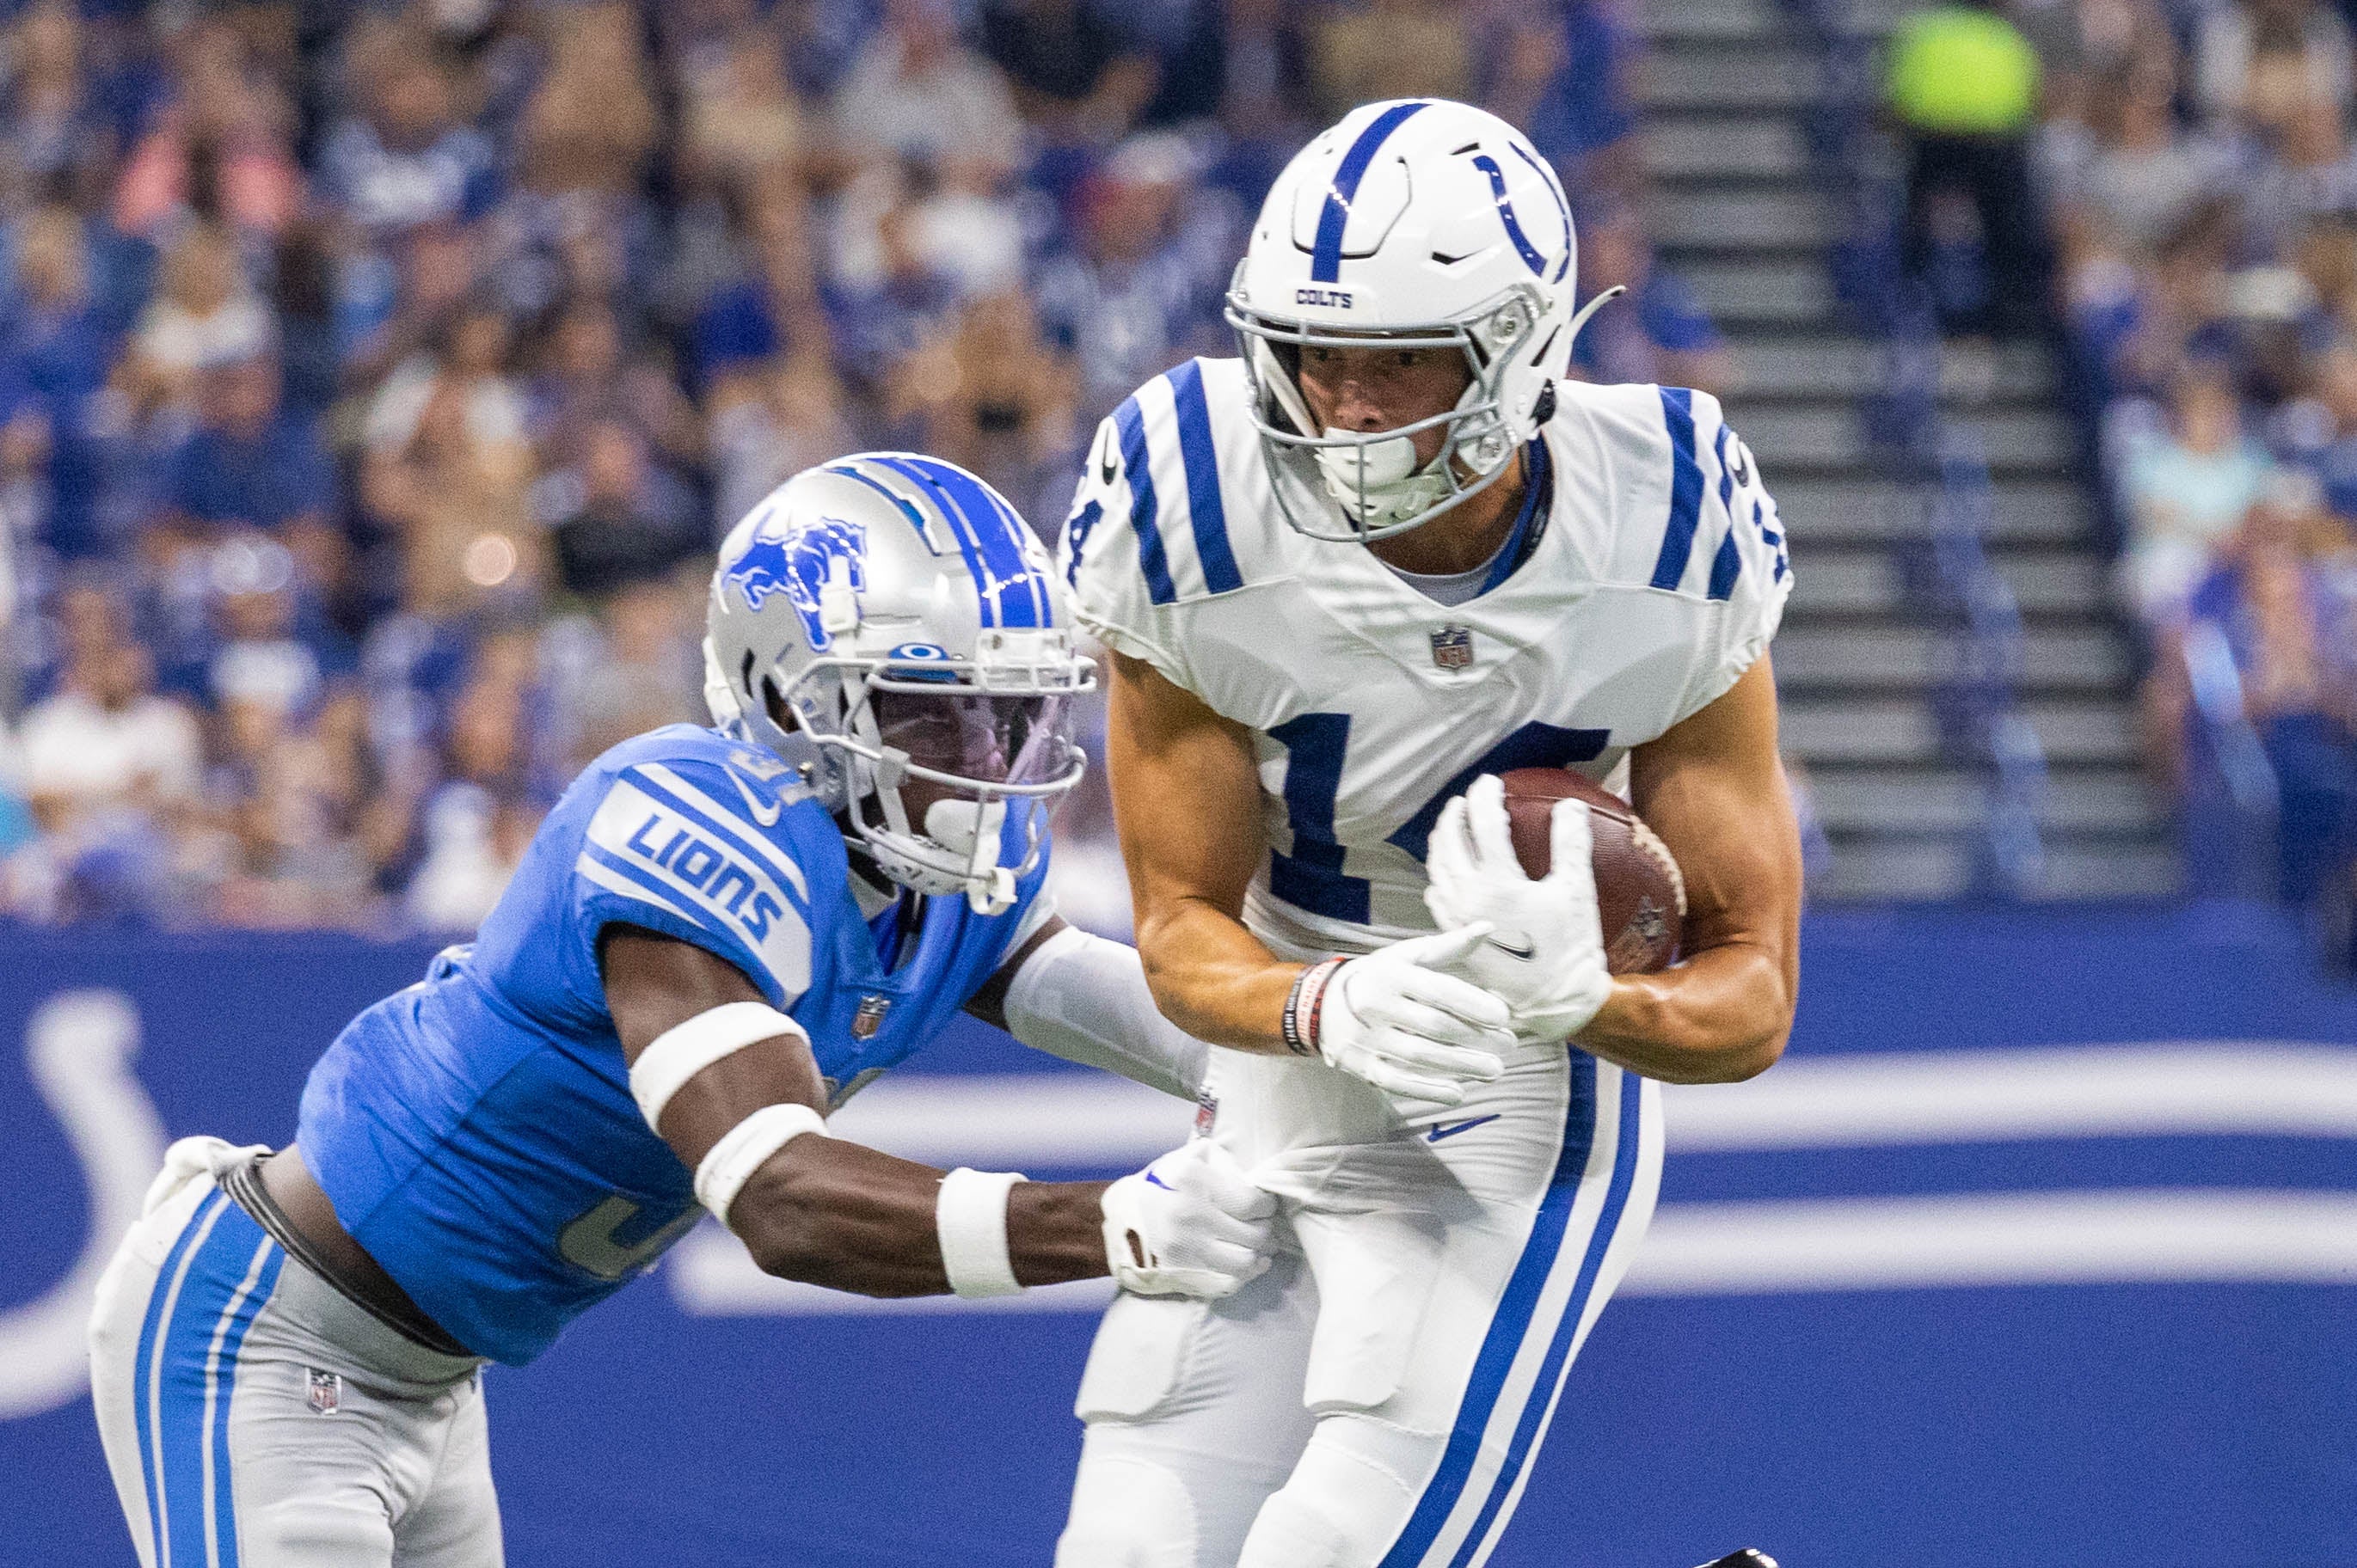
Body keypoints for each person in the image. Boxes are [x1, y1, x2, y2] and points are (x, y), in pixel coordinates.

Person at [86, 453, 1280, 1568]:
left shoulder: (929, 868)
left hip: (431, 1376)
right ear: (779, 695)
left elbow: (1161, 1016)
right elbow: (783, 1201)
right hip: (274, 1333)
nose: (979, 761)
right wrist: (1111, 1223)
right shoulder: (694, 822)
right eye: (931, 713)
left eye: (1006, 715)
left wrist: (1332, 1041)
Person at [1056, 100, 1803, 1567]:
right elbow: (1179, 925)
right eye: (1312, 356)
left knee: (1327, 1552)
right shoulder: (1188, 494)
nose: (1340, 404)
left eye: (1396, 362)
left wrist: (1582, 997)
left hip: (1525, 1098)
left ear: (1522, 347)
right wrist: (1322, 999)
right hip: (1288, 1053)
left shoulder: (1667, 516)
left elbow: (1755, 992)